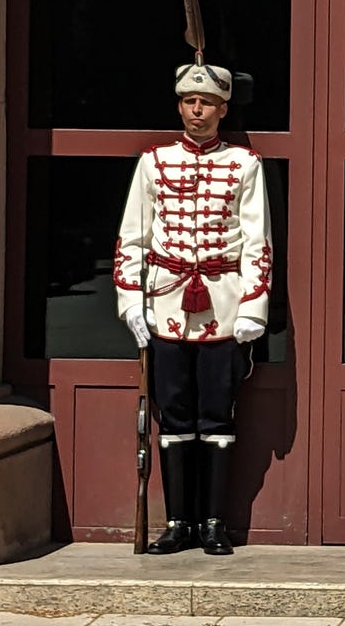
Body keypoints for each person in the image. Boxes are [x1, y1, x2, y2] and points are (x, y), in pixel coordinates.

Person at [114, 55, 272, 556]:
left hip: (224, 307)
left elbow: (257, 242)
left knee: (217, 414)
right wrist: (130, 301)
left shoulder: (244, 164)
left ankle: (213, 523)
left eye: (206, 102)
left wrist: (253, 308)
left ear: (224, 108)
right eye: (188, 101)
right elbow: (131, 240)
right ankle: (178, 522)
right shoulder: (154, 163)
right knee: (174, 414)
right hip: (166, 305)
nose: (196, 111)